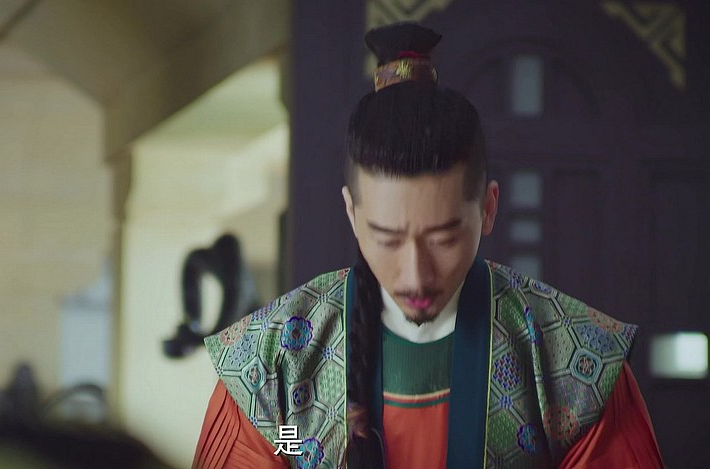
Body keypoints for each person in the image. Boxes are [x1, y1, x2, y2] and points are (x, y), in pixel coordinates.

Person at [193, 22, 663, 469]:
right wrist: (305, 448)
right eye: (388, 239)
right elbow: (278, 442)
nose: (415, 275)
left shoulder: (572, 362)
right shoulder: (273, 362)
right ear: (352, 214)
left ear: (488, 208)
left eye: (443, 238)